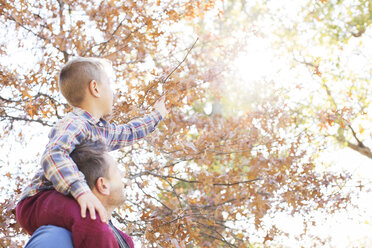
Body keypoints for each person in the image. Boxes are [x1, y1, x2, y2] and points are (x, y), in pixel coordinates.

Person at [16, 57, 167, 247]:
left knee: (124, 240)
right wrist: (82, 192)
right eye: (109, 85)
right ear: (95, 88)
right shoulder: (75, 123)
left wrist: (157, 115)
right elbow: (54, 154)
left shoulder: (102, 131)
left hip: (62, 200)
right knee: (92, 220)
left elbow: (129, 131)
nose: (113, 92)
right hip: (39, 199)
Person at [24, 141, 135, 248]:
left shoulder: (125, 241)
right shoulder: (54, 239)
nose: (123, 174)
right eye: (117, 170)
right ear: (103, 185)